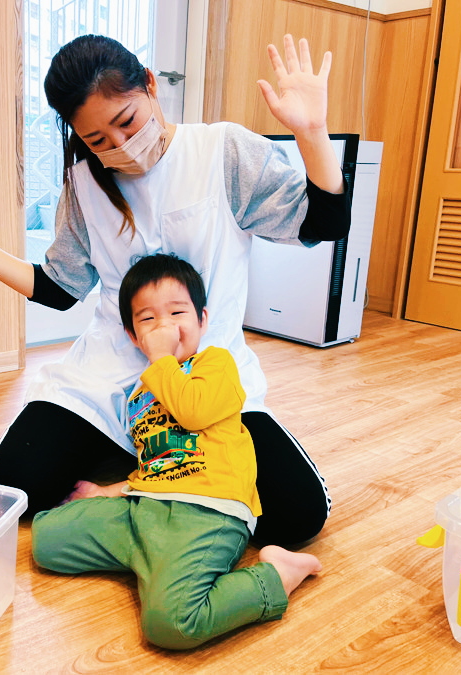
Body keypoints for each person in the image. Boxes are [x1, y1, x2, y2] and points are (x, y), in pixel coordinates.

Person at [0, 33, 349, 546]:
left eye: (127, 122)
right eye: (97, 140)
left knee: (297, 516)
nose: (119, 146)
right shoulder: (84, 184)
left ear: (150, 86)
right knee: (16, 488)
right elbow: (59, 288)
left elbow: (323, 223)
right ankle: (153, 461)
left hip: (206, 376)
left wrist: (311, 132)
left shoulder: (222, 151)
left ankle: (132, 476)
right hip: (113, 372)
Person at [32, 253, 322, 649]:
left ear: (202, 320)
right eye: (148, 319)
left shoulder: (216, 364)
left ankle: (277, 575)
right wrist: (107, 492)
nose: (164, 326)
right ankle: (152, 562)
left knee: (172, 624)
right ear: (132, 334)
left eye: (177, 313)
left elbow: (193, 411)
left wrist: (161, 358)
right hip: (145, 511)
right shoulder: (142, 391)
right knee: (47, 537)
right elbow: (153, 463)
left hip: (207, 512)